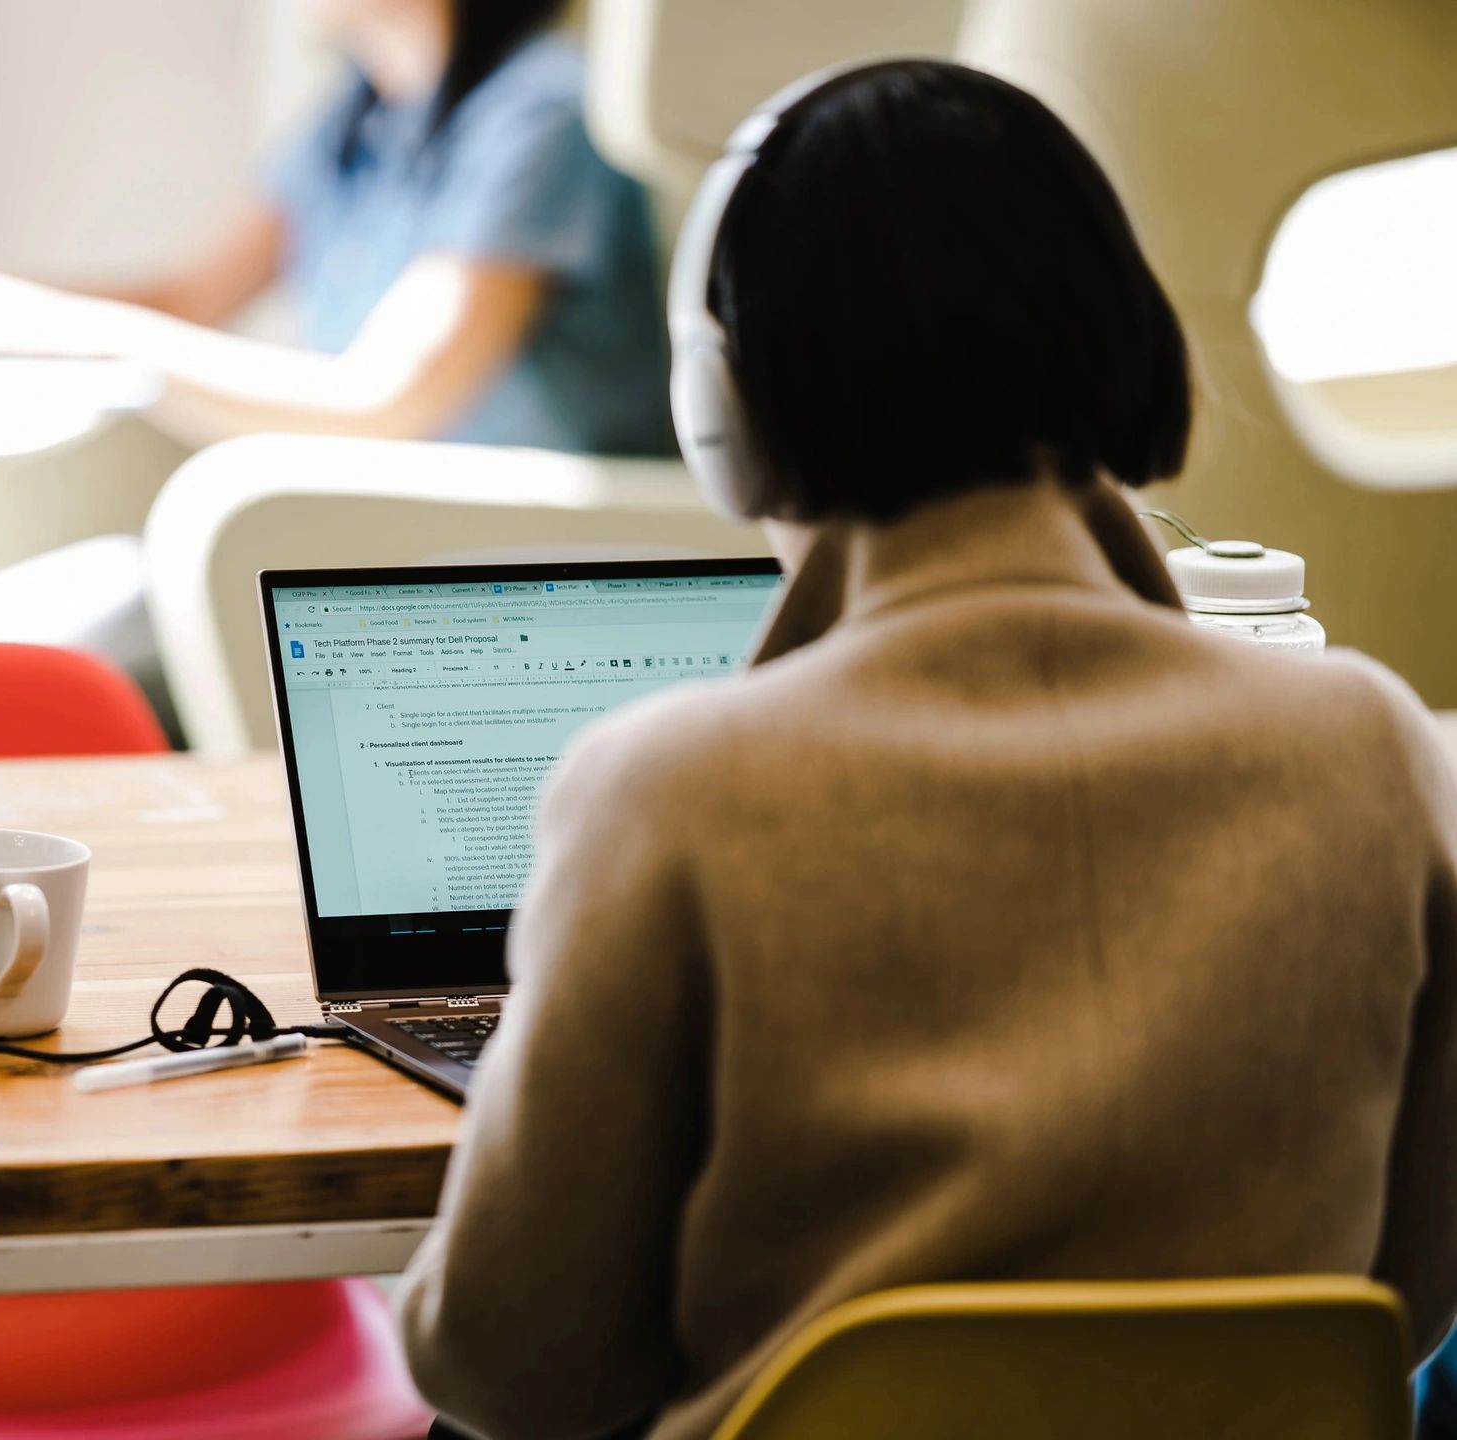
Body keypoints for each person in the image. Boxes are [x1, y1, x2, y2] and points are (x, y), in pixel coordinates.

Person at [396, 60, 1457, 1440]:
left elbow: (510, 1372)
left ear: (722, 407)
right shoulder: (1372, 748)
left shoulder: (668, 794)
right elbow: (1407, 1295)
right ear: (1126, 341)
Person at [0, 0, 672, 456]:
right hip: (371, 516)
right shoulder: (360, 111)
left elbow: (385, 399)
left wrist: (77, 331)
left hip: (504, 548)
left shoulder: (542, 111)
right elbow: (191, 296)